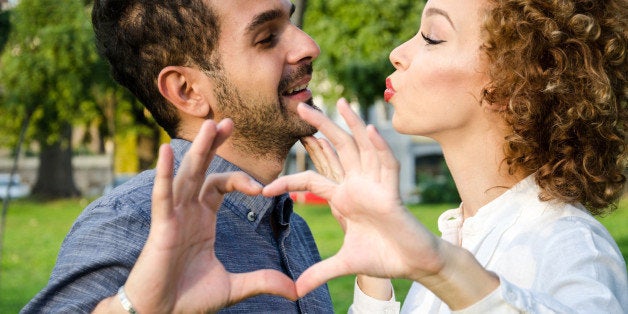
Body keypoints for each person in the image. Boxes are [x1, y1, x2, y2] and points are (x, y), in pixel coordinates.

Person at [262, 0, 628, 312]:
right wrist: (374, 271)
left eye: (432, 37)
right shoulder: (457, 236)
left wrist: (442, 269)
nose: (397, 53)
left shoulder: (575, 252)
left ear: (515, 82)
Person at [22, 0, 334, 313]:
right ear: (187, 91)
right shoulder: (133, 222)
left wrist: (372, 284)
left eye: (291, 22)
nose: (309, 46)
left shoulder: (291, 228)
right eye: (266, 38)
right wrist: (132, 308)